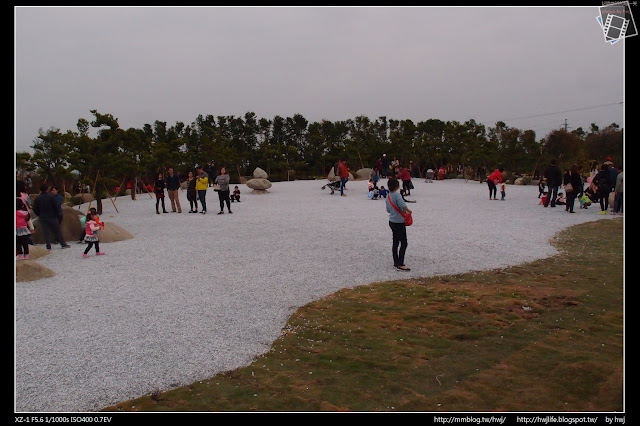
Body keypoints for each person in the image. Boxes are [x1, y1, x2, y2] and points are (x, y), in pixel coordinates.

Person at [32, 183, 71, 250]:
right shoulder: (51, 197)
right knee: (57, 230)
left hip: (42, 216)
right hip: (52, 216)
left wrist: (39, 214)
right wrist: (57, 214)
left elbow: (34, 208)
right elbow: (56, 207)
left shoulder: (37, 199)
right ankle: (63, 244)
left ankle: (48, 245)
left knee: (46, 231)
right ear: (47, 189)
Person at [385, 177, 411, 271]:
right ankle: (401, 263)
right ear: (397, 186)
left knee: (395, 242)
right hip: (399, 221)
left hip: (391, 221)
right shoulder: (397, 195)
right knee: (404, 242)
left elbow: (388, 209)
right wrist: (408, 210)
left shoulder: (388, 196)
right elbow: (403, 205)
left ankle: (396, 262)